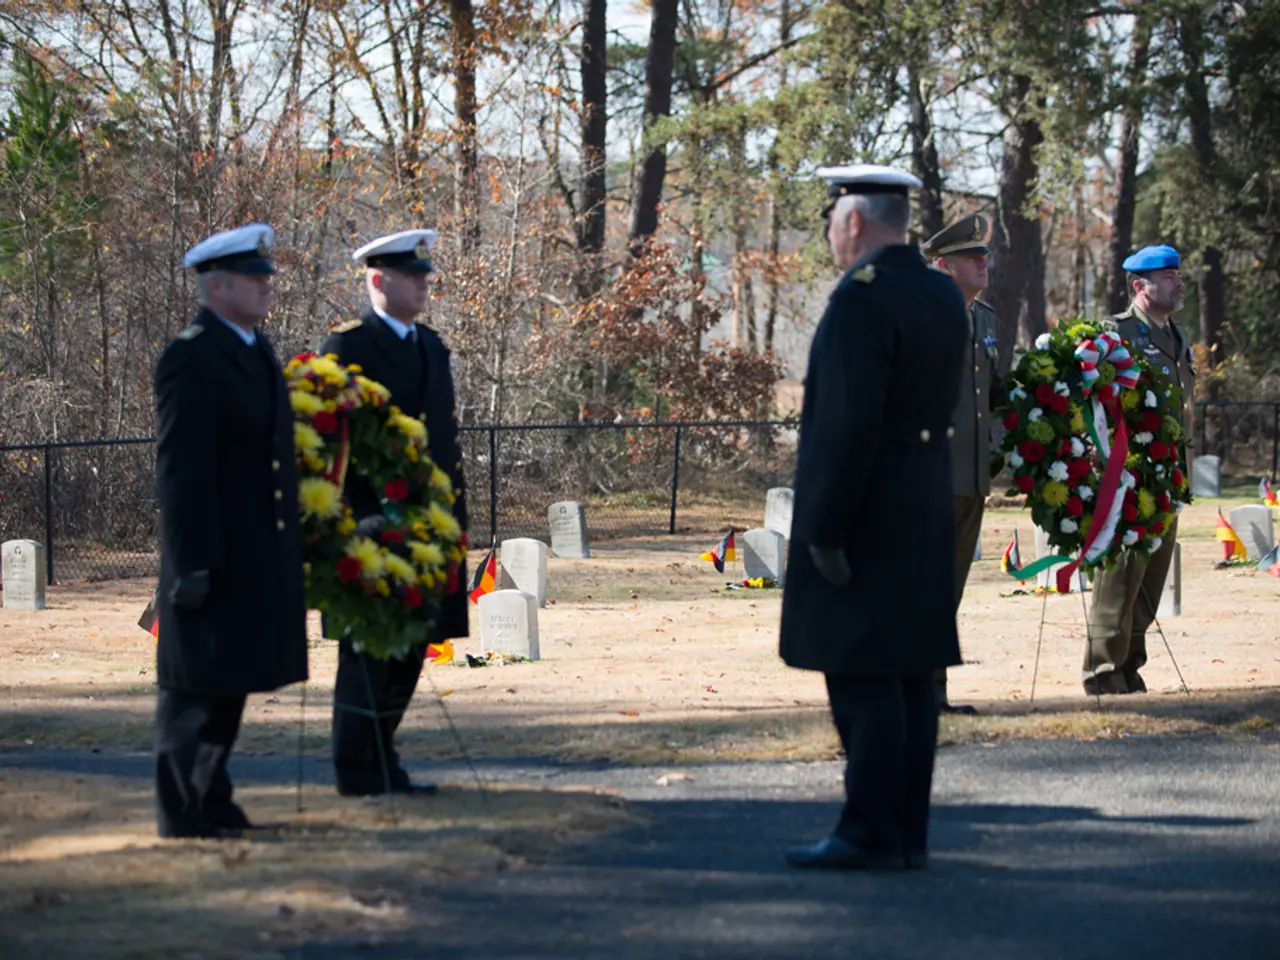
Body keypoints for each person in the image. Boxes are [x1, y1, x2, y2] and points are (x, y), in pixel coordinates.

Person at [780, 165, 968, 870]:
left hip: (866, 511)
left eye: (832, 220)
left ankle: (868, 830)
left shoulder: (863, 298)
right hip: (920, 503)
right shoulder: (939, 293)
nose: (830, 234)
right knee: (911, 677)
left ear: (854, 221)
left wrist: (825, 527)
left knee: (863, 678)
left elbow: (846, 425)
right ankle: (906, 834)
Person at [153, 223, 308, 838]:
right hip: (209, 556)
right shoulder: (191, 356)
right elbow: (181, 470)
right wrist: (191, 563)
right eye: (254, 277)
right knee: (193, 693)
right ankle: (180, 812)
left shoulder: (255, 349)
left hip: (251, 552)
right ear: (216, 285)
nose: (266, 286)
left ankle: (213, 801)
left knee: (231, 685)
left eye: (266, 275)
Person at [319, 229, 469, 797]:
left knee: (412, 649)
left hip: (430, 526)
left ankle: (384, 763)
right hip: (371, 529)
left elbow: (445, 445)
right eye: (412, 276)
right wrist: (357, 522)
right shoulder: (346, 347)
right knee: (366, 655)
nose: (423, 284)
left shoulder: (430, 346)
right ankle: (356, 770)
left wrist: (457, 518)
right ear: (378, 280)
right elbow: (331, 448)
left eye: (425, 275)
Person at [1084, 244, 1193, 696]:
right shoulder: (1117, 332)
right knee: (1121, 575)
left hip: (1168, 475)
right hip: (1127, 475)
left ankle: (1130, 664)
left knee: (1151, 578)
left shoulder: (1178, 336)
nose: (1177, 282)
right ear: (1139, 286)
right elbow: (1089, 398)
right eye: (1166, 276)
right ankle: (1103, 671)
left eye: (1177, 274)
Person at [922, 214, 1002, 716]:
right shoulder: (925, 313)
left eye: (985, 256)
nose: (983, 263)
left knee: (947, 592)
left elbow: (993, 395)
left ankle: (934, 695)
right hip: (930, 475)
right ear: (943, 264)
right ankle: (915, 694)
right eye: (973, 257)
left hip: (973, 476)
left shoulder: (987, 318)